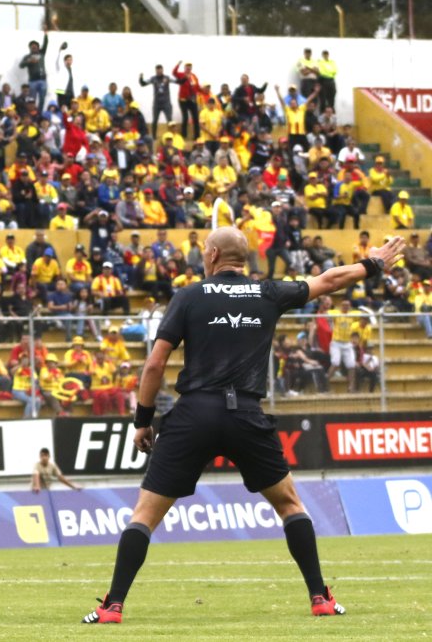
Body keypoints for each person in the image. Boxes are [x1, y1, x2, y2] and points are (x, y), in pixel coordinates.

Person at [82, 226, 403, 625]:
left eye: (203, 249)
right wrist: (373, 264)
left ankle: (112, 606)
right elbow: (329, 280)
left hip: (193, 414)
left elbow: (154, 364)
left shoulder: (189, 296)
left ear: (214, 254)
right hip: (246, 413)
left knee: (145, 515)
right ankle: (320, 597)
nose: (202, 253)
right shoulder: (268, 293)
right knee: (289, 505)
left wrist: (143, 422)